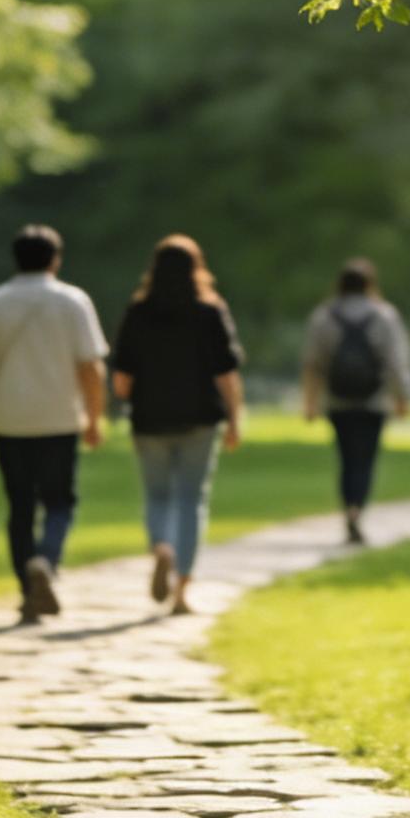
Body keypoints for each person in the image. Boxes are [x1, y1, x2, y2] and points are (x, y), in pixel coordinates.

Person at [0, 224, 108, 623]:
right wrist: (95, 417)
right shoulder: (73, 301)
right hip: (60, 418)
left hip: (9, 420)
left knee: (20, 506)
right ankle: (46, 559)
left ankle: (28, 591)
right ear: (55, 260)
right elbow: (91, 367)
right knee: (60, 501)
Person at [111, 234, 244, 616]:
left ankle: (161, 548)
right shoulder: (210, 312)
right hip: (201, 418)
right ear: (196, 268)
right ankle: (182, 590)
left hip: (149, 419)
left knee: (157, 495)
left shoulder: (138, 312)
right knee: (191, 499)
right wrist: (234, 418)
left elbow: (121, 381)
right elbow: (227, 374)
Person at [303, 257, 410, 544]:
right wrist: (403, 398)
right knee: (365, 459)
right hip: (374, 401)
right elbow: (396, 362)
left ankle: (348, 508)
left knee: (346, 458)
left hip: (337, 400)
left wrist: (310, 401)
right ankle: (358, 509)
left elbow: (313, 364)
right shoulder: (384, 315)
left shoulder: (324, 317)